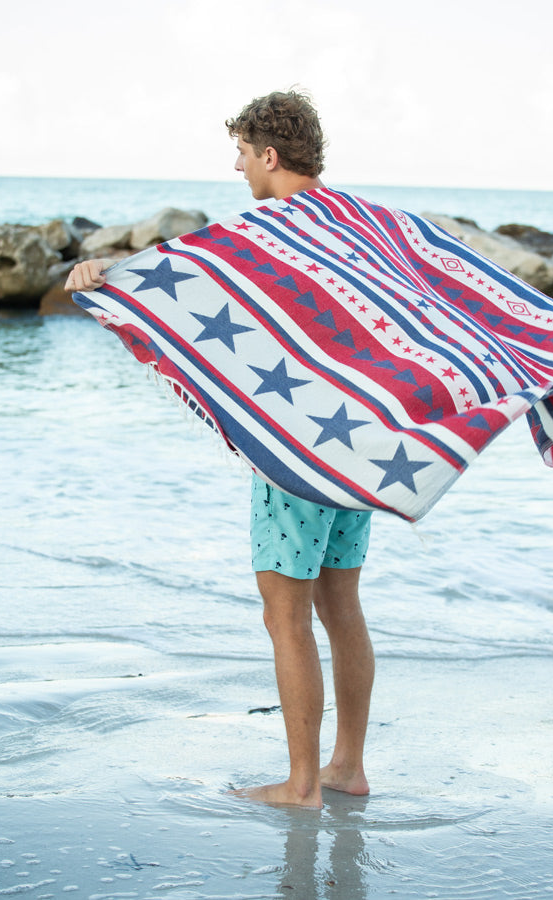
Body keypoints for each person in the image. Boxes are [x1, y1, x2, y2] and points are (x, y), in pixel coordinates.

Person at [65, 90, 375, 809]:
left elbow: (193, 270)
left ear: (270, 155)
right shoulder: (356, 223)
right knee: (343, 607)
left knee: (285, 615)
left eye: (241, 152)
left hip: (298, 449)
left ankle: (301, 785)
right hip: (360, 445)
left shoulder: (272, 230)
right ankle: (347, 767)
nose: (236, 167)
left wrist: (107, 270)